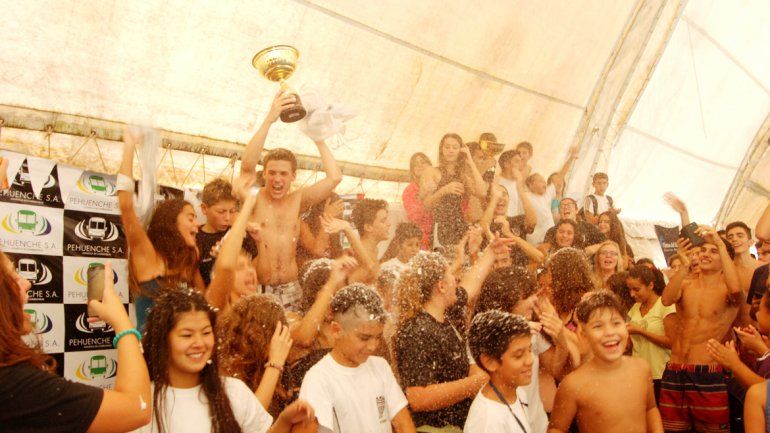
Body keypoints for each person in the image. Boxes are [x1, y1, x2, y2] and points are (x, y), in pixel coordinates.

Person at [0, 256, 152, 432]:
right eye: (13, 278)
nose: (27, 282)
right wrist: (122, 323)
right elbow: (136, 408)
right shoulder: (16, 385)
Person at [134, 288, 313, 433]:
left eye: (205, 332)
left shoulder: (234, 391)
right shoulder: (143, 403)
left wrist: (285, 420)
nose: (199, 343)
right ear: (162, 340)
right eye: (187, 335)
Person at [238, 90, 342, 312]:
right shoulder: (254, 199)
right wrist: (270, 119)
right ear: (264, 174)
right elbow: (247, 167)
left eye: (283, 174)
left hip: (292, 288)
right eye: (272, 172)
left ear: (293, 176)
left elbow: (335, 177)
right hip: (260, 287)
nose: (277, 179)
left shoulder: (298, 200)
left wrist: (318, 139)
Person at [394, 242, 510, 432]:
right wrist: (473, 384)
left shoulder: (445, 313)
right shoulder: (416, 330)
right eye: (451, 276)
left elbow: (470, 285)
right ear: (441, 286)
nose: (456, 280)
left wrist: (490, 252)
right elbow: (417, 398)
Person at [296, 284, 416, 433]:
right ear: (336, 330)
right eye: (364, 338)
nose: (373, 346)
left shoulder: (381, 366)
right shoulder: (318, 379)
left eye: (377, 337)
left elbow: (404, 424)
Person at [118, 128, 204, 330]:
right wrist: (129, 145)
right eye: (191, 218)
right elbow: (125, 205)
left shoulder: (187, 262)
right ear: (171, 222)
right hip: (151, 357)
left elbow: (206, 304)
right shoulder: (147, 255)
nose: (197, 224)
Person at [659, 226, 742, 433]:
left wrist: (720, 243)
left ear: (724, 259)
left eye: (713, 251)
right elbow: (666, 299)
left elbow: (736, 291)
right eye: (703, 250)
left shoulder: (727, 289)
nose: (705, 254)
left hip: (707, 372)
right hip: (675, 370)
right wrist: (684, 265)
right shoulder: (686, 285)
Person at [473, 266, 572, 433]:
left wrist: (561, 341)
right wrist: (509, 335)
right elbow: (479, 384)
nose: (535, 300)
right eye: (527, 296)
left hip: (536, 424)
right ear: (506, 300)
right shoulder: (483, 337)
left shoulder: (532, 329)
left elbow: (555, 369)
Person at [548, 291, 663, 433]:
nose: (609, 332)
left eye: (616, 323)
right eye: (598, 326)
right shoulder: (574, 384)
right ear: (584, 334)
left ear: (626, 327)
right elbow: (556, 428)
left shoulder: (641, 368)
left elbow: (651, 409)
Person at [218, 295, 293, 413]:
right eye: (278, 336)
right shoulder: (226, 376)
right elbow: (253, 419)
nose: (283, 344)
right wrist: (275, 363)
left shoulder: (264, 367)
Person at [464, 310, 534, 433]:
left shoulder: (517, 392)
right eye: (518, 355)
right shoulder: (487, 421)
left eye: (530, 350)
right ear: (490, 362)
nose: (530, 360)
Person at [420, 133, 487, 246]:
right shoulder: (432, 172)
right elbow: (426, 205)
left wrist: (470, 160)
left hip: (460, 226)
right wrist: (443, 190)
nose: (450, 150)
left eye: (455, 147)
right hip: (440, 226)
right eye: (447, 147)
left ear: (460, 151)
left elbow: (482, 192)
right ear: (441, 150)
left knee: (461, 260)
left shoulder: (463, 176)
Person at [626, 264, 676, 400]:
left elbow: (672, 342)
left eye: (636, 289)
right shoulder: (635, 308)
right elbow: (631, 344)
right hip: (638, 373)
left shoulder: (665, 305)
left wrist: (641, 331)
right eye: (629, 289)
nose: (632, 294)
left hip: (661, 374)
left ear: (651, 285)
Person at [205, 188, 259, 312]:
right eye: (240, 267)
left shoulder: (259, 312)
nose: (250, 271)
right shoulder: (221, 310)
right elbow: (225, 267)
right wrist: (248, 204)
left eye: (250, 265)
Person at [196, 178, 258, 286]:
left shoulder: (238, 234)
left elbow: (254, 265)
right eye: (221, 212)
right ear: (204, 209)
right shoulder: (195, 238)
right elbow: (195, 283)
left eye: (232, 211)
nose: (227, 217)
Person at [524, 146, 577, 245]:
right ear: (530, 185)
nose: (544, 183)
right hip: (535, 241)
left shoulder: (546, 195)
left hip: (551, 238)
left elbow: (561, 175)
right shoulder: (526, 196)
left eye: (544, 181)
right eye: (540, 181)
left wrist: (571, 157)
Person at [344, 198, 392, 283]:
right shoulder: (357, 255)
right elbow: (351, 286)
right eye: (383, 220)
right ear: (368, 227)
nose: (389, 223)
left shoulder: (374, 250)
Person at [726, 221, 762, 326]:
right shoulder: (724, 271)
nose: (734, 239)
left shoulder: (764, 268)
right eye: (730, 237)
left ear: (750, 242)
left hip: (761, 333)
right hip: (734, 331)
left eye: (740, 235)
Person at [297, 194, 344, 268]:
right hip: (310, 275)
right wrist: (328, 217)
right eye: (336, 210)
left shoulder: (333, 229)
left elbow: (335, 257)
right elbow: (318, 251)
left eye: (341, 210)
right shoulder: (302, 225)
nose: (340, 214)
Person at [403, 152, 434, 249]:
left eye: (423, 162)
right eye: (415, 164)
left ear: (430, 166)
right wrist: (424, 195)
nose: (419, 166)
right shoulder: (409, 190)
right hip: (421, 239)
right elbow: (414, 217)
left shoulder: (439, 185)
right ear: (412, 170)